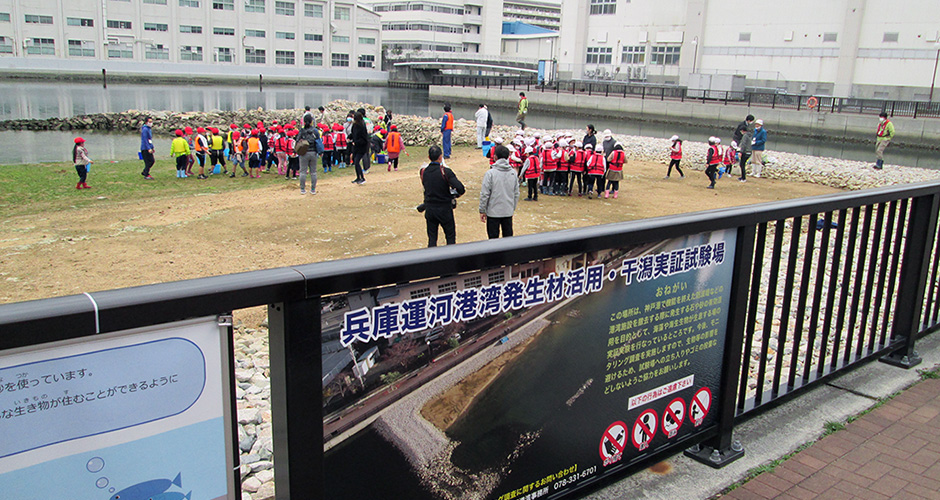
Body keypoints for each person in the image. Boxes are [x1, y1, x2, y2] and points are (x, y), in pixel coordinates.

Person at [420, 145, 465, 247]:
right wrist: (454, 195)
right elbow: (460, 188)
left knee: (432, 238)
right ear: (441, 157)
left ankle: (432, 261)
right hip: (444, 208)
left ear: (429, 157)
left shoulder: (424, 172)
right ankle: (451, 260)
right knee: (450, 237)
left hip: (430, 208)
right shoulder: (445, 172)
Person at [479, 145, 519, 239]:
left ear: (495, 157)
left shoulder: (490, 173)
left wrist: (482, 210)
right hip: (507, 211)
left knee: (493, 240)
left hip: (493, 212)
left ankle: (495, 254)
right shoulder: (513, 173)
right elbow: (516, 193)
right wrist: (512, 207)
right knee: (508, 239)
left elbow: (485, 193)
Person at [298, 115, 321, 193]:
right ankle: (313, 189)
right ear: (311, 121)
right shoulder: (315, 131)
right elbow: (318, 140)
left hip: (304, 152)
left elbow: (297, 140)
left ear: (304, 122)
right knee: (313, 172)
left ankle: (302, 189)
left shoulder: (302, 131)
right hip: (313, 152)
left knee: (303, 171)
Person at [349, 112, 370, 184]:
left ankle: (362, 178)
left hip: (361, 146)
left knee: (357, 161)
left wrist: (357, 142)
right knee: (355, 161)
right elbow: (353, 134)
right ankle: (358, 177)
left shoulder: (362, 126)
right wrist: (349, 137)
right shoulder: (354, 125)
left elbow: (364, 139)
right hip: (356, 146)